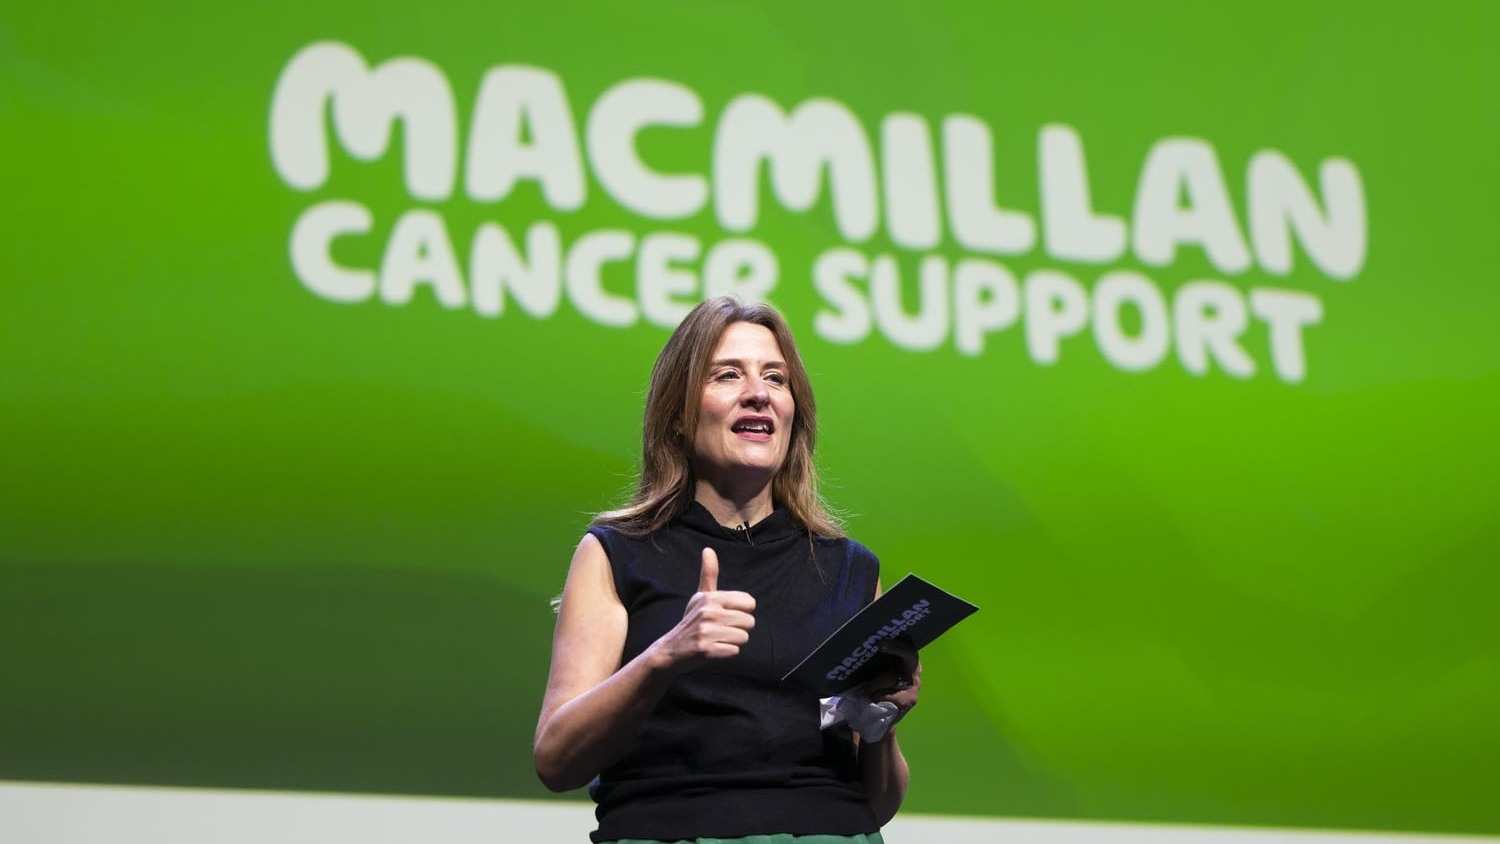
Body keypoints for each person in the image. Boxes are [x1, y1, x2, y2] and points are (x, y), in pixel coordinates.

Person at [534, 296, 921, 843]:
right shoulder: (616, 552)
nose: (759, 393)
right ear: (677, 414)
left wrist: (879, 722)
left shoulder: (851, 570)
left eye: (775, 378)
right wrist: (664, 657)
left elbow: (876, 805)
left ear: (794, 414)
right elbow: (555, 760)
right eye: (727, 375)